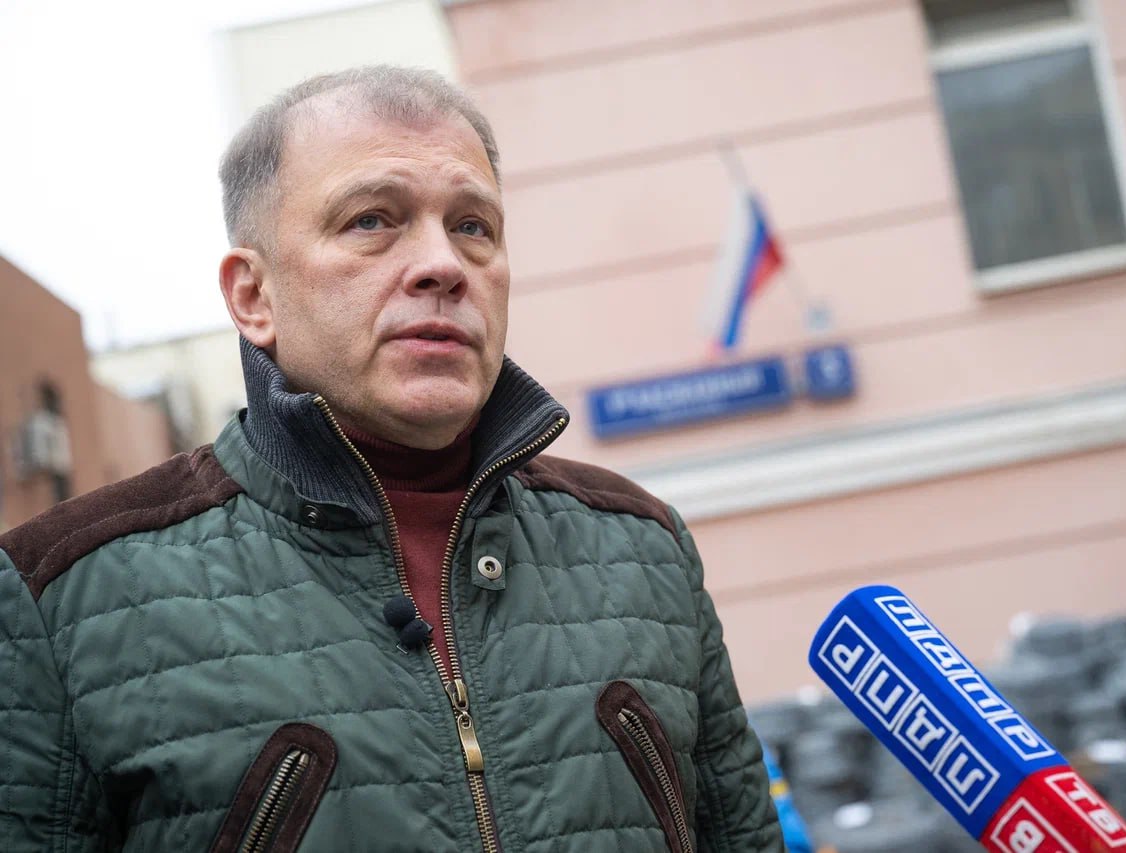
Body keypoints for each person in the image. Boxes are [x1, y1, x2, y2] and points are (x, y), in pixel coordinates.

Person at [0, 66, 782, 851]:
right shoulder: (58, 597)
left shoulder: (646, 549)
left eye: (473, 226)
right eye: (372, 219)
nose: (444, 264)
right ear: (253, 296)